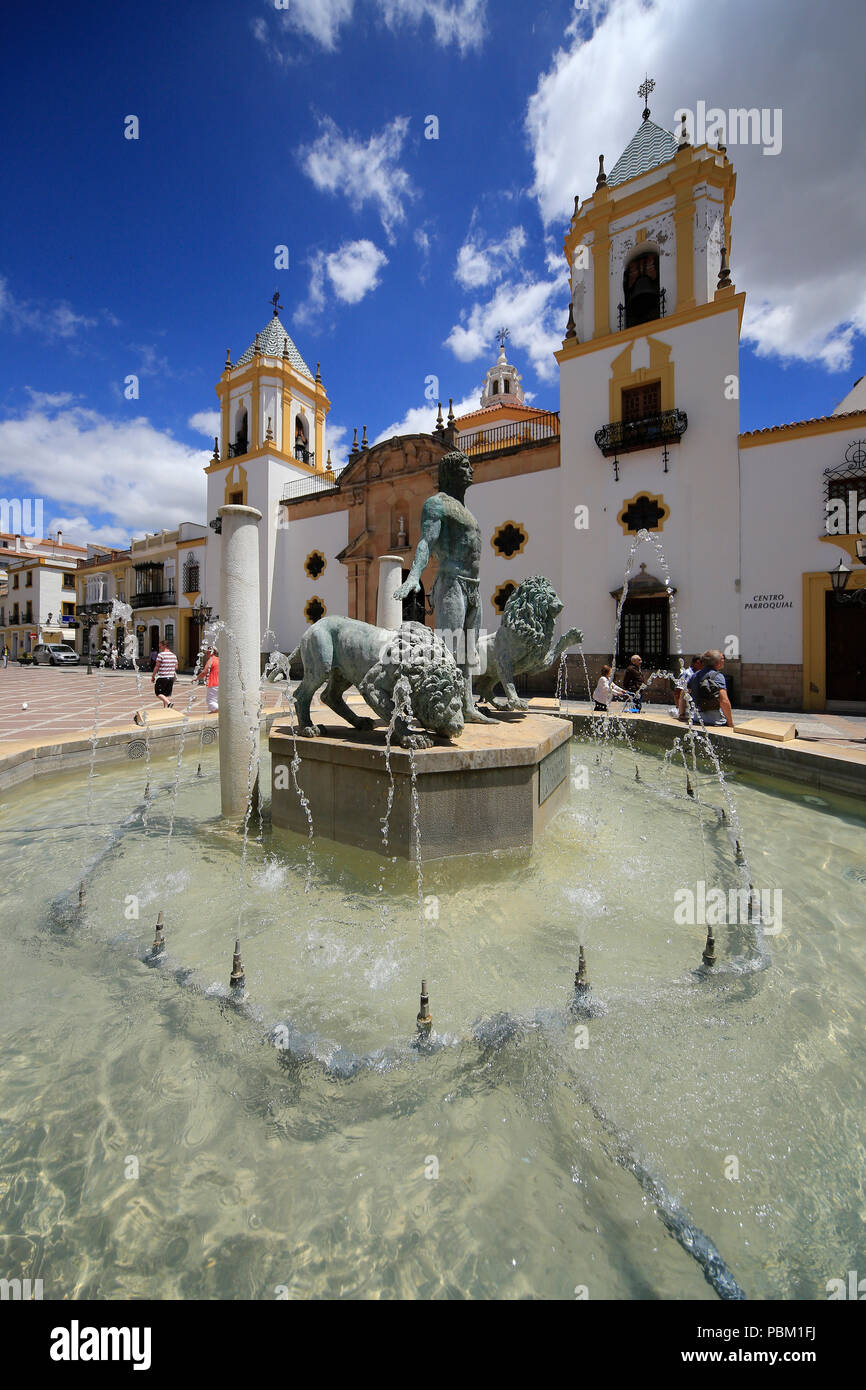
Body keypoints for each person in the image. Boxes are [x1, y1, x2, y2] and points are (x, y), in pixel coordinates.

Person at [685, 649, 734, 729]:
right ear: (717, 662)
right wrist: (731, 723)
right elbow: (724, 700)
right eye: (722, 658)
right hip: (714, 720)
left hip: (696, 718)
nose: (724, 660)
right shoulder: (718, 676)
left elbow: (684, 695)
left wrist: (681, 714)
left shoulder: (694, 675)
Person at [133, 639, 178, 724]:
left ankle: (169, 703)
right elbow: (176, 667)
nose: (159, 647)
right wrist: (170, 669)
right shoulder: (174, 655)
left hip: (162, 677)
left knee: (158, 693)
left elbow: (157, 666)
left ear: (164, 646)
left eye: (160, 645)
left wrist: (153, 676)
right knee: (166, 694)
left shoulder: (161, 655)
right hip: (171, 678)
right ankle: (166, 711)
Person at [673, 654, 703, 719]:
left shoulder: (698, 674)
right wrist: (681, 712)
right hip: (686, 710)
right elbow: (677, 692)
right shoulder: (687, 674)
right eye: (704, 663)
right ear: (697, 662)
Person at [198, 645, 219, 713]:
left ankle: (221, 712)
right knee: (216, 701)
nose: (206, 654)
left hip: (213, 683)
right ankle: (214, 714)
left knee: (210, 702)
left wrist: (196, 678)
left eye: (207, 652)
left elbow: (204, 672)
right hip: (220, 683)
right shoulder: (219, 659)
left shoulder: (211, 660)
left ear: (211, 652)